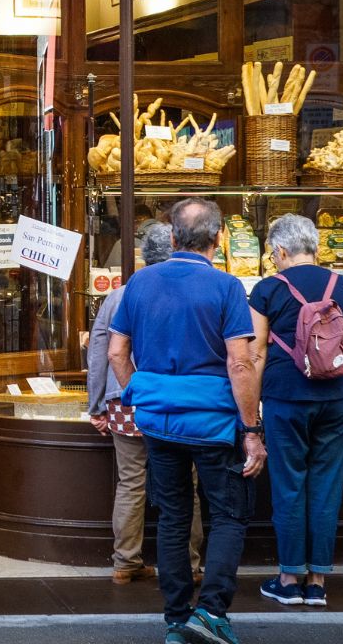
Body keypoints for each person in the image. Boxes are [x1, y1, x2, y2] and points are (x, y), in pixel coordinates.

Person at [108, 196, 264, 644]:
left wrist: (138, 393)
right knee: (229, 516)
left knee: (174, 516)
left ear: (173, 238)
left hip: (160, 420)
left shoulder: (139, 283)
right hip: (215, 422)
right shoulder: (226, 286)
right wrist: (251, 430)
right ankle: (211, 612)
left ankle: (176, 619)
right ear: (218, 238)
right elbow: (239, 364)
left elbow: (117, 351)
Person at [247, 214, 343, 609]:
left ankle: (288, 577)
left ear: (281, 251)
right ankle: (317, 581)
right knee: (326, 486)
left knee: (289, 483)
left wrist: (251, 411)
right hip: (335, 399)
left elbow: (257, 352)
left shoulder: (267, 289)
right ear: (314, 247)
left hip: (285, 398)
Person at [86, 221, 202, 584]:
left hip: (127, 398)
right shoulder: (196, 290)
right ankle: (190, 564)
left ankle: (125, 562)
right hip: (180, 401)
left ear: (143, 256)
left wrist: (97, 406)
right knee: (186, 484)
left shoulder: (120, 294)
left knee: (131, 482)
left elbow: (100, 351)